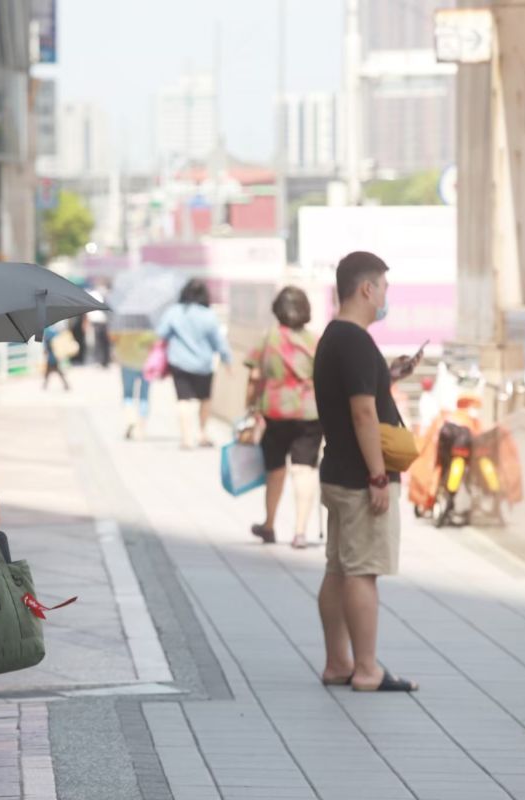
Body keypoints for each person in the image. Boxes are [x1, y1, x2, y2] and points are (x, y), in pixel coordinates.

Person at [312, 251, 421, 693]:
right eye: (385, 289)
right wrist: (378, 476)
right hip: (360, 479)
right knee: (362, 572)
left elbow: (356, 395)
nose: (386, 297)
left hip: (336, 469)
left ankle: (338, 663)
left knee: (338, 569)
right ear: (366, 289)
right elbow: (362, 413)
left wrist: (388, 376)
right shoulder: (356, 341)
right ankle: (367, 669)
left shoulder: (334, 338)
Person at [246, 287, 322, 549]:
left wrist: (250, 406)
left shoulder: (268, 338)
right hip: (310, 413)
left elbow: (255, 377)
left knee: (275, 469)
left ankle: (269, 525)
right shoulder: (315, 341)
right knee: (304, 469)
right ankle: (300, 531)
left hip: (275, 411)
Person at [156, 279, 231, 449]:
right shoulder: (209, 315)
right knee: (205, 399)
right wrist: (227, 360)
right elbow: (218, 341)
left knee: (183, 400)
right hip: (204, 364)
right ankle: (202, 433)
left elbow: (161, 333)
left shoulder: (174, 312)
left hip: (179, 362)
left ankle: (186, 438)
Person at [111, 328, 156, 440]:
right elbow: (154, 343)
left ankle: (131, 419)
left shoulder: (123, 325)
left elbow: (113, 338)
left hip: (127, 362)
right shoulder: (148, 326)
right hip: (146, 362)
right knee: (144, 396)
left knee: (127, 394)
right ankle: (141, 428)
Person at [42, 324, 71, 391]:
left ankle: (45, 385)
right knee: (55, 371)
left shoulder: (47, 332)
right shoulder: (54, 331)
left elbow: (46, 344)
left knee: (52, 371)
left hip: (52, 355)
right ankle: (66, 385)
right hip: (55, 354)